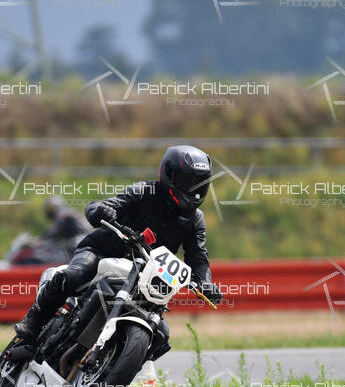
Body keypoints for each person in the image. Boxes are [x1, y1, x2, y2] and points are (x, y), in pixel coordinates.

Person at [14, 145, 224, 340]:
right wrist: (103, 210)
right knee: (75, 274)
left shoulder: (195, 220)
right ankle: (35, 318)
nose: (194, 190)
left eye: (200, 183)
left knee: (161, 333)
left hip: (143, 276)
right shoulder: (144, 191)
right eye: (189, 182)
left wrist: (205, 283)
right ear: (169, 175)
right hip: (102, 252)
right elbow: (100, 206)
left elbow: (198, 257)